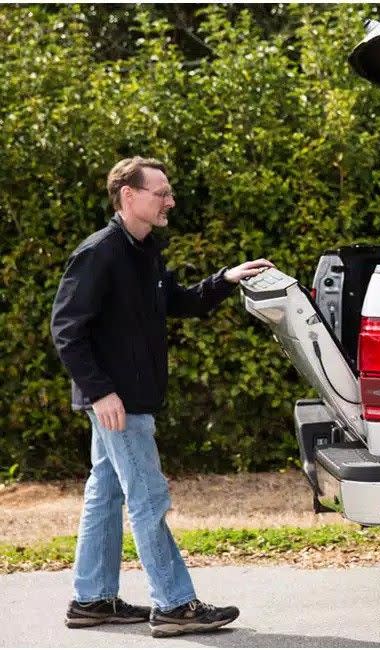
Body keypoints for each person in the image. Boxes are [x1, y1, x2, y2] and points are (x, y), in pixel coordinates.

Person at [50, 157, 273, 637]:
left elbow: (177, 302)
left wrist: (225, 279)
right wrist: (101, 393)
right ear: (128, 195)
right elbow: (67, 330)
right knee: (148, 498)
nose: (170, 200)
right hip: (118, 403)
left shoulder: (146, 250)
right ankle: (174, 605)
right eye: (161, 192)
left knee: (105, 494)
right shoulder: (100, 253)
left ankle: (92, 600)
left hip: (128, 398)